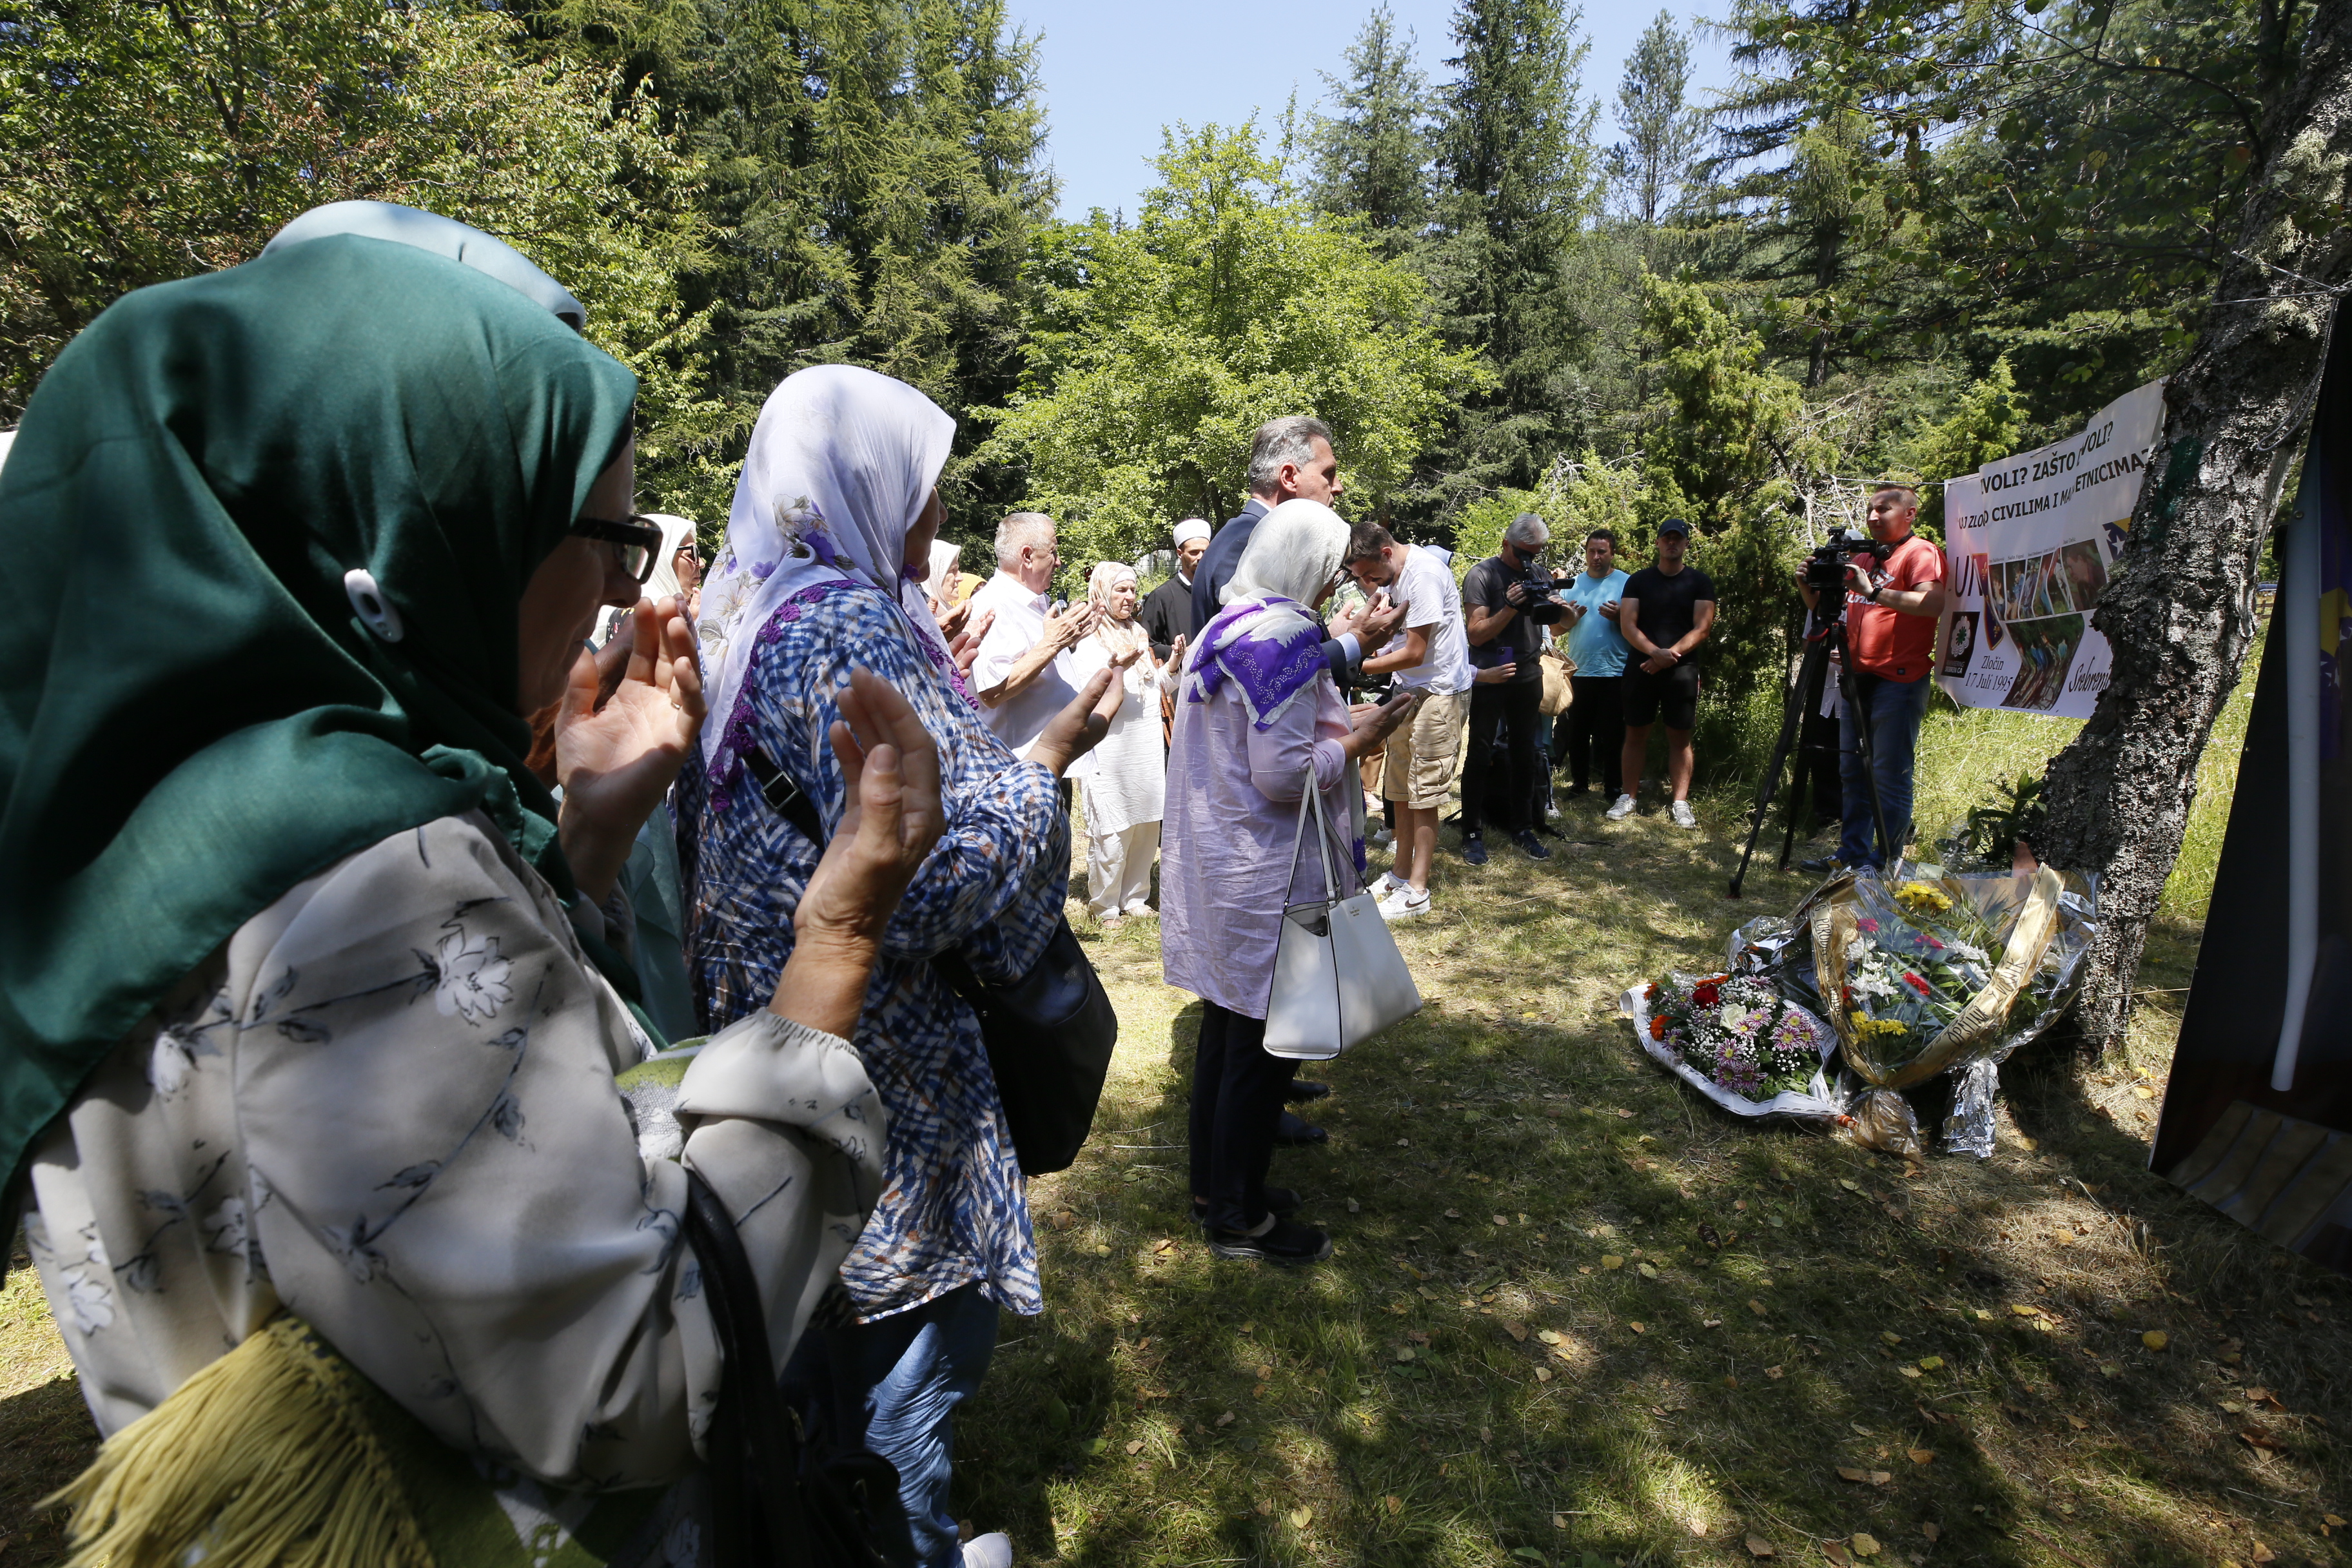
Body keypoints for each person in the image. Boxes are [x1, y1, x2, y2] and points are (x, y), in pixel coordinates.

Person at [3, 229, 943, 1566]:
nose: (630, 586)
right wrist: (835, 948)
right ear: (420, 532)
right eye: (608, 534)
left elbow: (375, 1175)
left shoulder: (144, 829)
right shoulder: (363, 879)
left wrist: (582, 852)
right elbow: (631, 1374)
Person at [684, 366, 1114, 1568]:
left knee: (813, 1345)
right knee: (905, 1384)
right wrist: (1043, 769)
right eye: (920, 487)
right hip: (885, 1071)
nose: (933, 520)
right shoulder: (844, 624)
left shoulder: (745, 606)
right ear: (863, 485)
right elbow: (917, 878)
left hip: (777, 1050)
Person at [1161, 500, 1416, 1264]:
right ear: (1309, 563)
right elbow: (1283, 775)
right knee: (1261, 1051)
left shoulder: (1229, 621)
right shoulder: (1286, 635)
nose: (1338, 575)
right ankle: (1239, 1219)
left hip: (1224, 862)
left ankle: (1216, 1189)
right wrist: (1360, 738)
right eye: (1334, 562)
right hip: (1269, 869)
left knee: (1227, 1034)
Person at [1796, 484, 1948, 872]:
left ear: (1910, 514)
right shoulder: (1862, 555)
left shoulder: (1921, 553)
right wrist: (1806, 586)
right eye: (1870, 510)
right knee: (1852, 769)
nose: (1873, 517)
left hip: (1898, 681)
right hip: (1854, 677)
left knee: (1888, 773)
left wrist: (1875, 590)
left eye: (1884, 509)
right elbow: (1825, 607)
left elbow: (1932, 603)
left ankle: (1887, 861)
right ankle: (1852, 855)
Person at [1191, 415, 1404, 676]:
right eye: (1329, 474)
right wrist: (1354, 643)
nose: (1338, 487)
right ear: (1290, 477)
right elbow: (1259, 664)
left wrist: (1330, 634)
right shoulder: (1247, 543)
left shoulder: (1249, 536)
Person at [1345, 521, 1475, 921]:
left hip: (1439, 692)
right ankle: (1400, 875)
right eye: (1361, 578)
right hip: (1408, 691)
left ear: (1387, 552)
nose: (1369, 583)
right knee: (1399, 786)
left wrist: (1355, 664)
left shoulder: (1424, 575)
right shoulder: (1393, 576)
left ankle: (1418, 890)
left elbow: (1416, 652)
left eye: (1369, 574)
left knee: (1425, 792)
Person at [1068, 562, 1179, 925]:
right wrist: (1117, 668)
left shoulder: (1139, 634)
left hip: (1144, 748)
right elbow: (1089, 693)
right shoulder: (1089, 640)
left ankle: (1135, 897)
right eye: (1121, 590)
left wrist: (1173, 665)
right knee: (1113, 830)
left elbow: (1154, 687)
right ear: (1102, 592)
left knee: (1146, 824)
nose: (1130, 598)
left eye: (1133, 591)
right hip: (1110, 748)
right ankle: (1106, 905)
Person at [1461, 513, 1567, 862]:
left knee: (1526, 752)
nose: (1528, 560)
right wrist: (1509, 606)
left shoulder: (1536, 574)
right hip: (1491, 673)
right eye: (1523, 552)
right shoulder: (1482, 575)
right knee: (1480, 751)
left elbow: (1555, 627)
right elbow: (1476, 633)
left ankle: (1523, 827)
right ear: (1506, 543)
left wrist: (1568, 613)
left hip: (1527, 672)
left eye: (1535, 553)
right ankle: (1472, 831)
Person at [1611, 518, 1716, 828]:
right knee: (1635, 732)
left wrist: (1669, 656)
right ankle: (1628, 796)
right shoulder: (1639, 581)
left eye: (1678, 539)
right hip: (1641, 665)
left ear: (1685, 544)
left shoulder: (1700, 582)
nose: (1672, 543)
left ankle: (1680, 802)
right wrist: (1654, 653)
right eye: (1667, 538)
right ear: (1658, 543)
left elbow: (1703, 627)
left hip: (1682, 670)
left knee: (1680, 737)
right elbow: (1627, 624)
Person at [967, 511, 1096, 759]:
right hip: (1021, 768)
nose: (1058, 562)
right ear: (1027, 556)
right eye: (1053, 552)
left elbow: (1035, 665)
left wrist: (1068, 641)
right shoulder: (994, 605)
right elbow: (993, 691)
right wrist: (1053, 643)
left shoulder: (1030, 602)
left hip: (1047, 763)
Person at [1557, 527, 1630, 801]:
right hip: (1580, 670)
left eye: (1602, 552)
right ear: (1586, 552)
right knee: (1577, 731)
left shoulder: (1627, 583)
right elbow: (1556, 629)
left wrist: (1621, 617)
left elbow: (1640, 626)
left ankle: (1614, 787)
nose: (1596, 557)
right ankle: (1579, 784)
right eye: (1591, 551)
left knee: (1614, 734)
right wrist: (1570, 620)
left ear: (1613, 553)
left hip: (1616, 670)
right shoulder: (1573, 585)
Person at [1141, 516, 1211, 658]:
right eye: (1194, 552)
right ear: (1180, 553)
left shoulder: (1216, 592)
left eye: (1205, 551)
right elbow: (1146, 645)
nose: (1201, 557)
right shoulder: (1162, 596)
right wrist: (1180, 653)